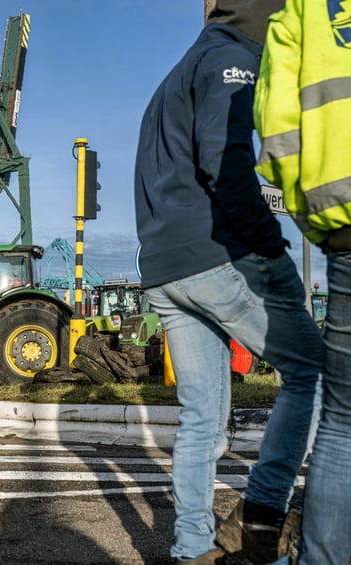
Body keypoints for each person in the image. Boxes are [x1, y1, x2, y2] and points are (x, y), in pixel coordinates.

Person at [133, 1, 325, 562]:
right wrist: (269, 244)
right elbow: (228, 164)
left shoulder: (180, 71)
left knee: (202, 419)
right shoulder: (232, 60)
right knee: (309, 366)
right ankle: (263, 515)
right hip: (213, 258)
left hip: (163, 270)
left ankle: (193, 547)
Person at [251, 2, 351, 563]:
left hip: (345, 223)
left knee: (341, 425)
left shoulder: (304, 12)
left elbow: (278, 125)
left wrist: (311, 212)